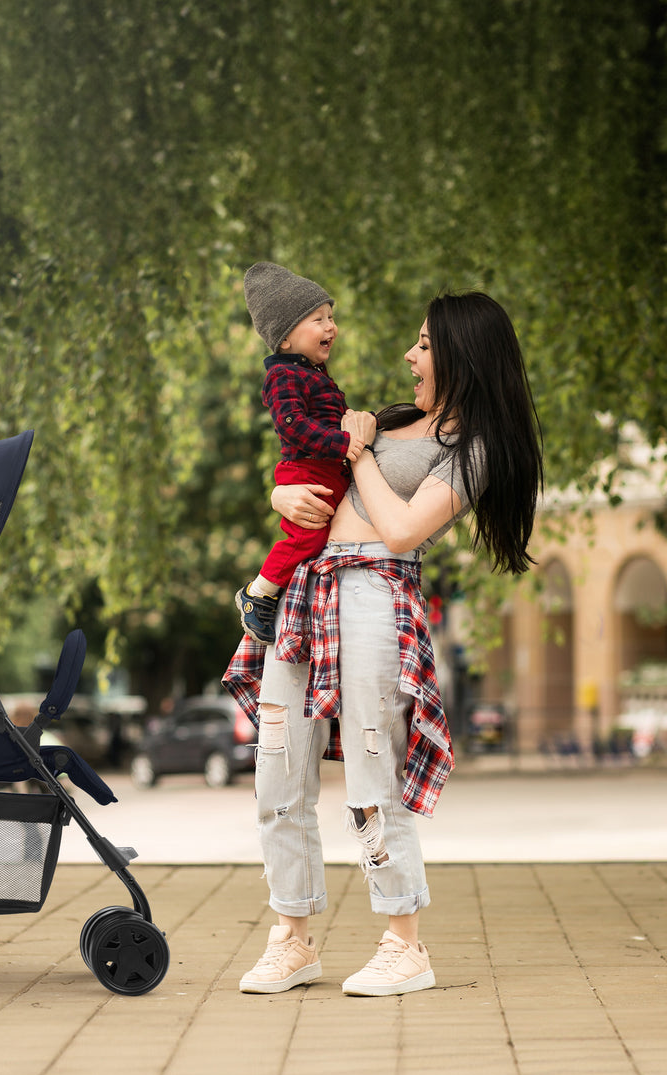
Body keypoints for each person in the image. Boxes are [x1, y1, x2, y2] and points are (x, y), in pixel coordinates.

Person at [224, 290, 542, 997]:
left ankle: (405, 943)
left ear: (463, 353)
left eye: (425, 345)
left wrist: (359, 449)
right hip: (307, 590)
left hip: (376, 593)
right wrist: (282, 497)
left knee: (372, 768)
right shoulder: (394, 420)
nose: (409, 355)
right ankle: (292, 937)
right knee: (278, 768)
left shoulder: (472, 448)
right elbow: (314, 474)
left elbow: (401, 529)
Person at [234, 262, 366, 645]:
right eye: (318, 319)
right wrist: (342, 444)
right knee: (304, 539)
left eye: (331, 317)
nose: (330, 327)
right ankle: (258, 593)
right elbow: (292, 425)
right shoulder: (283, 376)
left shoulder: (311, 372)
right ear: (286, 339)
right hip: (306, 471)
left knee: (317, 537)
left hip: (324, 470)